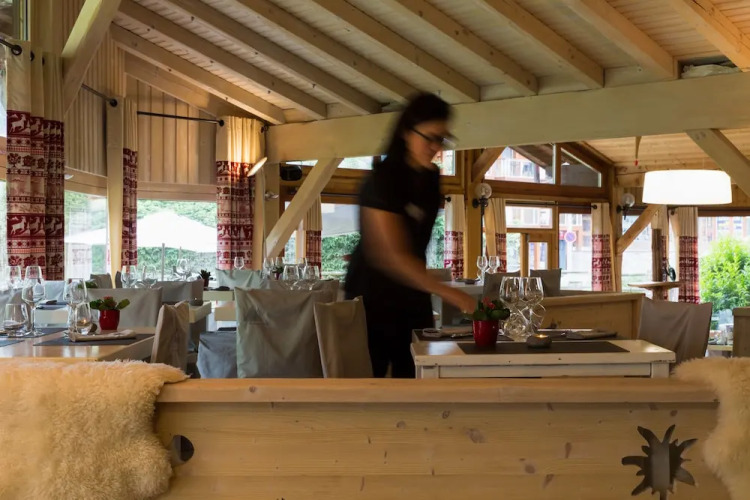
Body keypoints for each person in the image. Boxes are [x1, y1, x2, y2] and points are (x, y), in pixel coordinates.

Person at [344, 93, 476, 378]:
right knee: (372, 382)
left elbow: (414, 244)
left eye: (441, 139)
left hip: (412, 293)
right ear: (406, 132)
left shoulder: (430, 179)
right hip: (372, 296)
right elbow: (390, 256)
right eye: (429, 137)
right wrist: (450, 292)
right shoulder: (381, 180)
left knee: (419, 375)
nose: (435, 147)